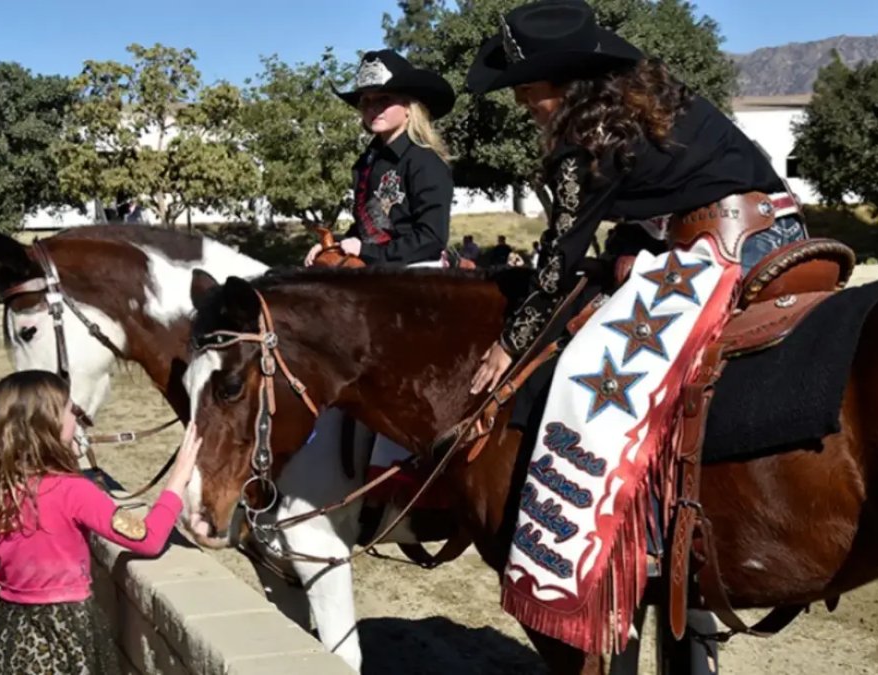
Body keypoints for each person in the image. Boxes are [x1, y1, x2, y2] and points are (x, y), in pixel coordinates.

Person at [465, 0, 807, 663]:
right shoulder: (648, 98)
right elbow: (655, 202)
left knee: (593, 375)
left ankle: (630, 533)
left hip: (723, 249)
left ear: (560, 85)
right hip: (773, 224)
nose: (521, 102)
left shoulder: (582, 141)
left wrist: (509, 345)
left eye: (526, 88)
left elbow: (558, 259)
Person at [0, 370, 201, 674]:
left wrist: (25, 576)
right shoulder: (74, 491)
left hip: (10, 630)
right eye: (69, 410)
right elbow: (148, 538)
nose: (76, 417)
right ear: (48, 425)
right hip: (69, 631)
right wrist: (177, 479)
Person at [304, 49, 456, 267]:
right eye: (366, 101)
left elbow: (431, 239)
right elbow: (367, 229)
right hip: (376, 269)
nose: (373, 108)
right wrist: (334, 245)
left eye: (384, 99)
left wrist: (367, 252)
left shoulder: (426, 161)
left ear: (408, 107)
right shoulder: (367, 161)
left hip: (417, 271)